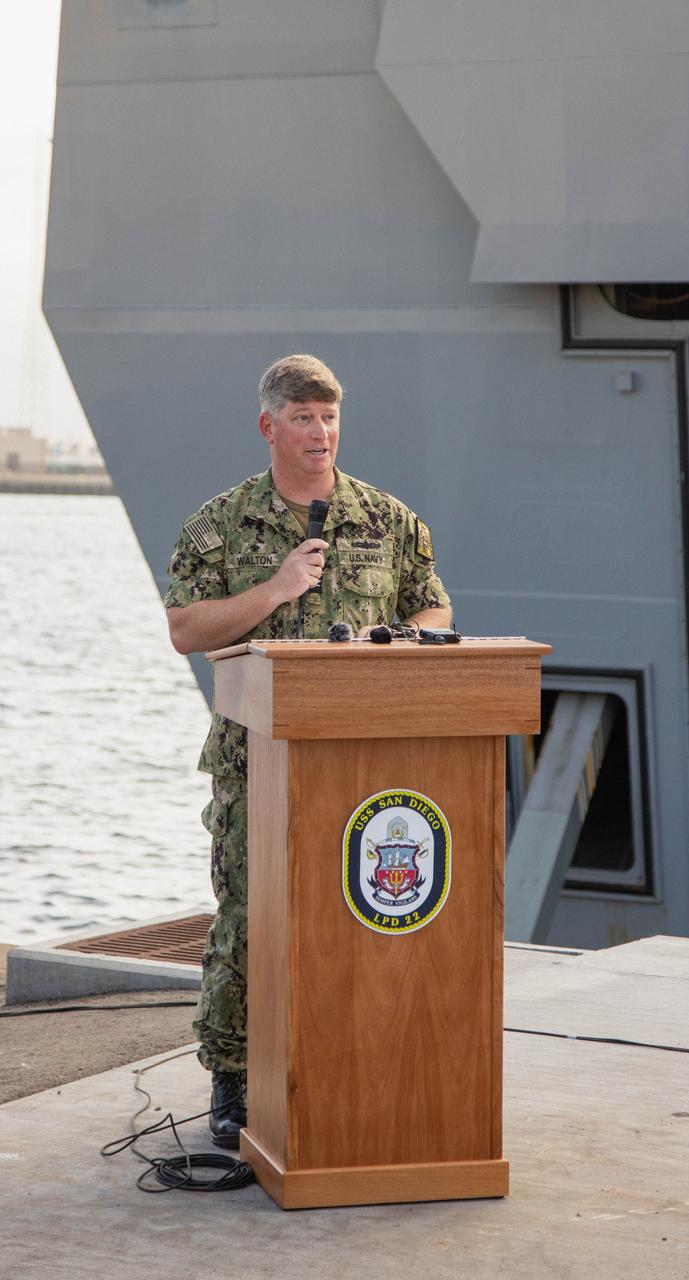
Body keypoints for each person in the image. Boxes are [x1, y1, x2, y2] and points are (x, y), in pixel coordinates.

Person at [164, 354, 451, 1147]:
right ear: (269, 426)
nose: (319, 432)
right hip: (253, 761)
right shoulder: (220, 524)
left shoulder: (387, 520)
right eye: (302, 418)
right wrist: (276, 590)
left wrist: (396, 640)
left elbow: (433, 608)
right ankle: (233, 1077)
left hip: (362, 764)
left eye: (328, 417)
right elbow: (186, 629)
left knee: (356, 914)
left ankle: (352, 1060)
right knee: (249, 918)